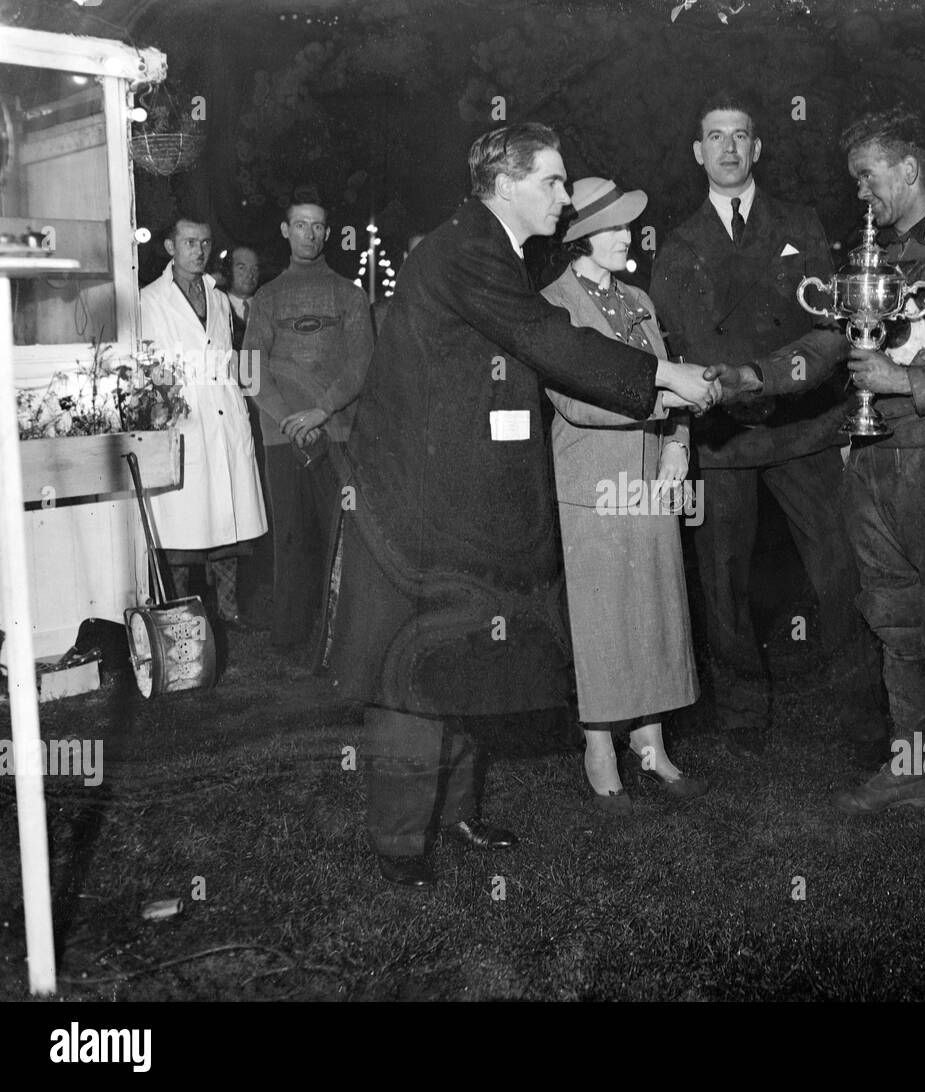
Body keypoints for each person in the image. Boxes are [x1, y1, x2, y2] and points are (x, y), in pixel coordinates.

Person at [328, 123, 719, 886]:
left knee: (469, 657)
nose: (565, 196)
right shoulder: (468, 246)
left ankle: (459, 813)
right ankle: (401, 845)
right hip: (416, 502)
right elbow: (548, 336)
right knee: (411, 673)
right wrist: (666, 377)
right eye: (552, 180)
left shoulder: (494, 248)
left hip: (467, 492)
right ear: (506, 184)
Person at [711, 104, 925, 851]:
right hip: (871, 462)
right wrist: (752, 376)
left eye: (868, 178)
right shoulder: (870, 261)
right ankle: (913, 767)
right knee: (894, 620)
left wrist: (899, 378)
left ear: (910, 170)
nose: (862, 196)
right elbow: (826, 344)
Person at [650, 90, 885, 760]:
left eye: (741, 135)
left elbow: (832, 325)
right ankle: (743, 713)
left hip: (804, 424)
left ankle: (863, 713)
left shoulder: (802, 222)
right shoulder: (678, 241)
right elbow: (673, 348)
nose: (728, 147)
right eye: (715, 135)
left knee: (840, 570)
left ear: (757, 148)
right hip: (723, 436)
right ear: (699, 152)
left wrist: (775, 377)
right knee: (724, 582)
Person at [540, 177, 707, 814]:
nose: (626, 236)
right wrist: (665, 399)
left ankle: (652, 746)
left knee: (654, 609)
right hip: (590, 481)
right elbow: (574, 399)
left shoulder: (637, 297)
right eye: (610, 227)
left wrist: (677, 444)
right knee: (602, 620)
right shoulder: (553, 305)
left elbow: (674, 377)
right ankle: (600, 750)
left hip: (652, 476)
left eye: (627, 226)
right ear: (578, 237)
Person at [244, 192, 374, 651]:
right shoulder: (266, 297)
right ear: (286, 230)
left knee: (342, 540)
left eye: (318, 226)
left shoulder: (350, 295)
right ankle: (291, 642)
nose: (310, 234)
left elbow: (362, 364)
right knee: (293, 543)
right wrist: (290, 421)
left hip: (338, 436)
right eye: (300, 224)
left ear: (328, 232)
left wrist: (322, 411)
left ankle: (341, 642)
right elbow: (251, 373)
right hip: (284, 441)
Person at [139, 216, 267, 625]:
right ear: (170, 247)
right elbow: (148, 364)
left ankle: (229, 612)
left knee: (227, 520)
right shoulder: (150, 299)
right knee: (182, 524)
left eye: (206, 243)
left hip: (222, 409)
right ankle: (181, 614)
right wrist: (163, 403)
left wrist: (243, 403)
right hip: (183, 414)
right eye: (190, 242)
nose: (199, 250)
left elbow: (232, 357)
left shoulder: (218, 296)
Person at [224, 245, 260, 351]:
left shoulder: (267, 308)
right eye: (242, 268)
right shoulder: (216, 306)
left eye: (255, 269)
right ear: (228, 271)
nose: (250, 275)